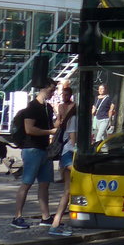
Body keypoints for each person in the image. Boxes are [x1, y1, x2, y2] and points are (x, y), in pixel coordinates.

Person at [11, 84, 55, 229]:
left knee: (44, 184)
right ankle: (17, 217)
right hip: (32, 149)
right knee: (27, 183)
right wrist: (50, 132)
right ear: (44, 88)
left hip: (44, 149)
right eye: (51, 89)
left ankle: (46, 217)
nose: (53, 93)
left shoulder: (48, 108)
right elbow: (29, 129)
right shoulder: (32, 107)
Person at [48, 94, 78, 237]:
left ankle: (57, 222)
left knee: (68, 191)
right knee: (71, 189)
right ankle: (56, 223)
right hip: (69, 156)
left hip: (68, 156)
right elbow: (73, 143)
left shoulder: (73, 119)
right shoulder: (74, 119)